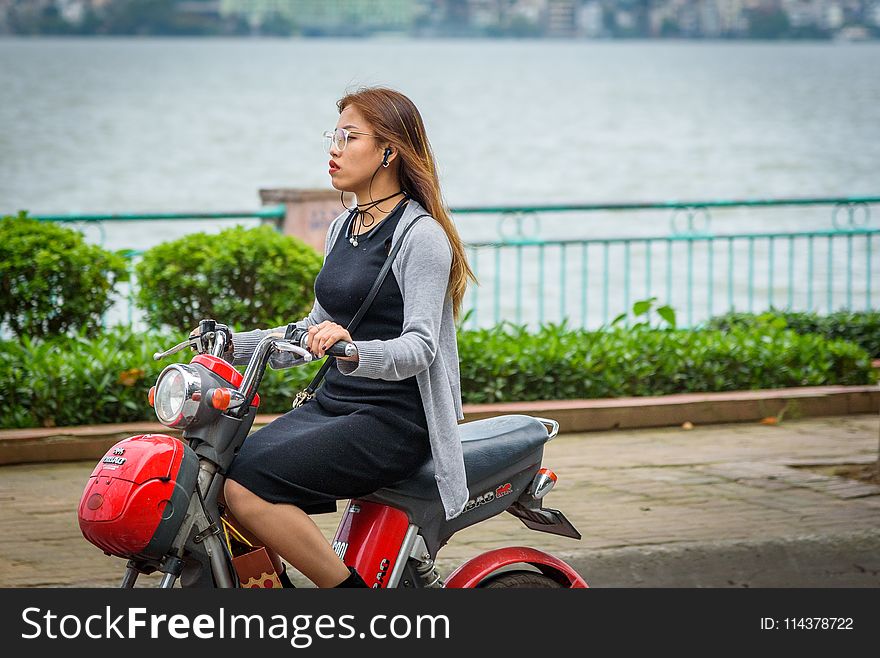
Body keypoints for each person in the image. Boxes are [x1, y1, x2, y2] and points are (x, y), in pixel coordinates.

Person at [206, 86, 476, 588]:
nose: (334, 148)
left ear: (389, 151)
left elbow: (421, 347)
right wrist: (231, 345)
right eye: (334, 135)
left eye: (349, 137)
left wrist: (351, 350)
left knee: (245, 486)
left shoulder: (420, 237)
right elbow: (313, 329)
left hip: (394, 418)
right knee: (219, 475)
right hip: (336, 402)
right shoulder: (343, 228)